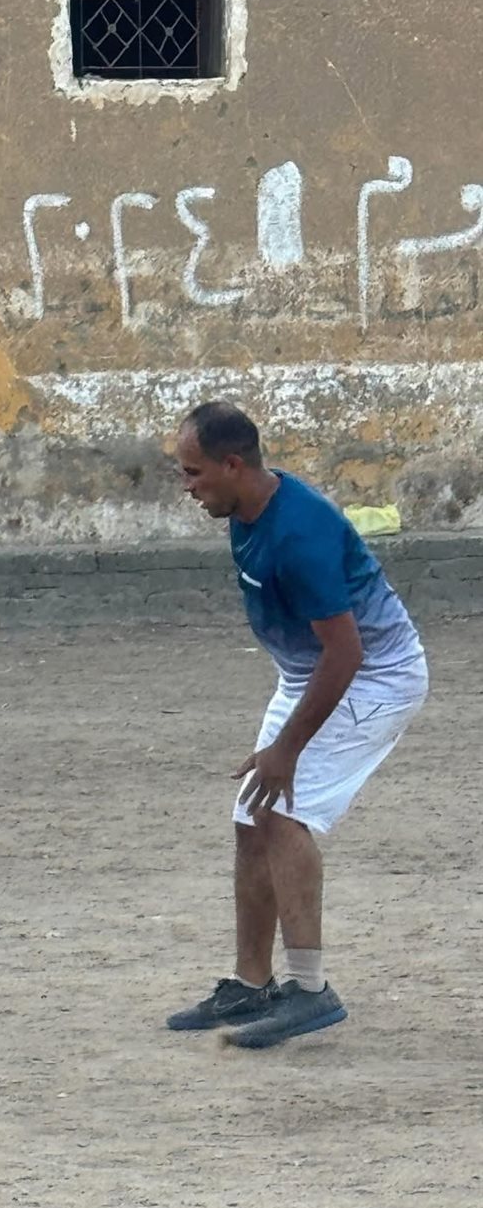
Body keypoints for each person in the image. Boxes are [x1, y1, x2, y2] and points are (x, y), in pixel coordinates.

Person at [168, 401, 428, 1048]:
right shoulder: (245, 507)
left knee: (284, 812)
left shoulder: (298, 534)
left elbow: (348, 652)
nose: (186, 486)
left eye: (194, 472)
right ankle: (251, 986)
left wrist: (286, 748)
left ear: (233, 464)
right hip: (309, 672)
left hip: (375, 676)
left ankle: (310, 991)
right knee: (251, 817)